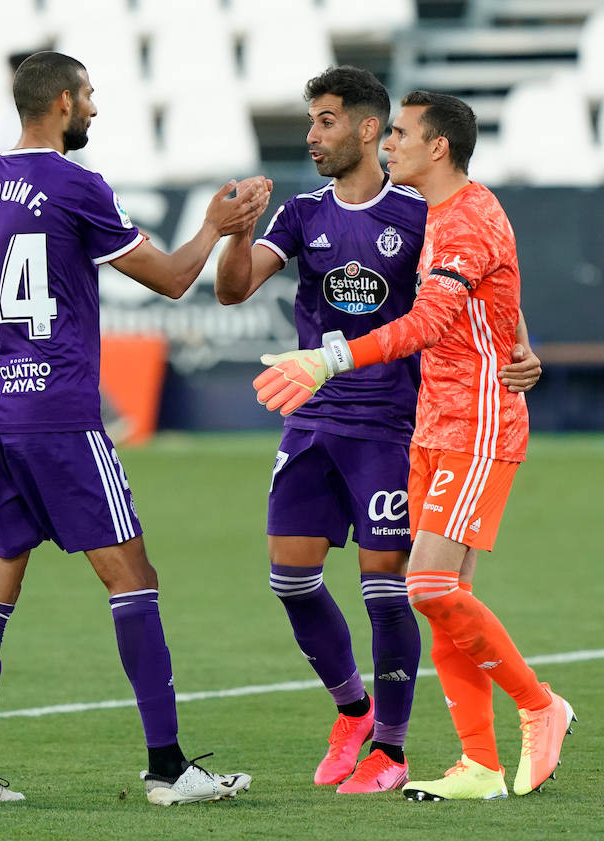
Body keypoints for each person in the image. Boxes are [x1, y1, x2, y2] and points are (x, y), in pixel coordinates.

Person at [0, 50, 270, 807]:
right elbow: (171, 277)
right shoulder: (73, 183)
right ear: (60, 101)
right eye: (87, 94)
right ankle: (167, 768)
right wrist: (216, 226)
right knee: (134, 579)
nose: (94, 106)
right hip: (58, 415)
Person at [217, 67, 541, 794]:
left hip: (394, 424)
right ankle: (353, 711)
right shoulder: (300, 213)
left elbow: (482, 286)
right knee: (290, 578)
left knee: (391, 590)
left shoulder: (423, 210)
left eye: (326, 121)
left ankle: (392, 751)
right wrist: (234, 236)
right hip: (313, 418)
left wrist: (520, 347)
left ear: (368, 129)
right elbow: (235, 288)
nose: (311, 136)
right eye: (311, 122)